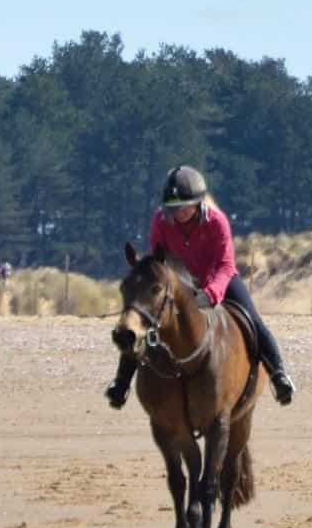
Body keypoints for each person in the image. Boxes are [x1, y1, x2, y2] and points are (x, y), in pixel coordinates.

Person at [106, 165, 295, 409]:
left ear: (198, 202)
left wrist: (210, 294)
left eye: (182, 207)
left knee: (254, 321)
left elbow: (226, 266)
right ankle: (121, 383)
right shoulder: (161, 221)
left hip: (220, 281)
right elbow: (159, 262)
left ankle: (279, 375)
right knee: (145, 320)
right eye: (172, 209)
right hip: (180, 281)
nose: (177, 214)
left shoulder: (218, 222)